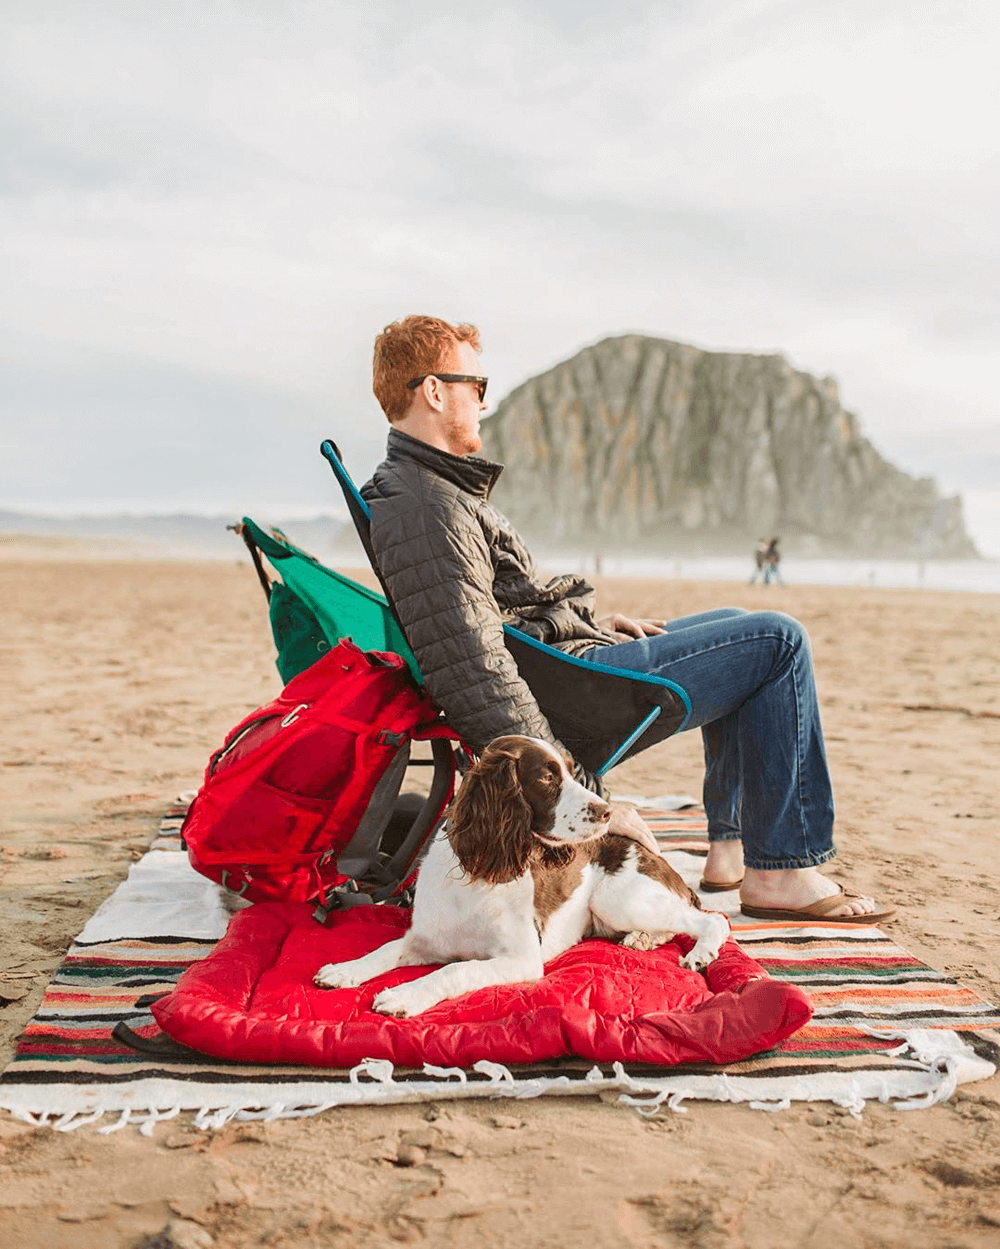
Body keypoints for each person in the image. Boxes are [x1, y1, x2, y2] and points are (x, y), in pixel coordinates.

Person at [361, 315, 894, 923]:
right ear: (434, 391)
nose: (486, 401)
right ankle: (781, 872)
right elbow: (473, 668)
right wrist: (578, 792)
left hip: (563, 661)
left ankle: (730, 849)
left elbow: (494, 615)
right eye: (477, 386)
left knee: (736, 619)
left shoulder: (428, 489)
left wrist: (585, 624)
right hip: (569, 686)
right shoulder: (426, 504)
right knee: (779, 641)